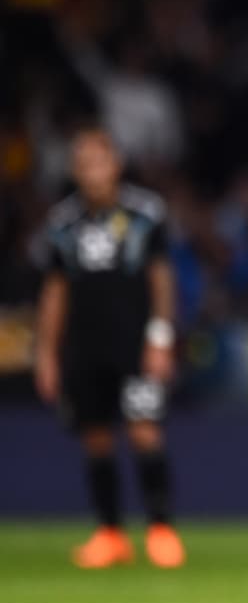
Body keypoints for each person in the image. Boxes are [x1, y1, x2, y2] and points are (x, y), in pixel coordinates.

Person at [32, 126, 185, 569]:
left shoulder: (145, 214)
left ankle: (161, 529)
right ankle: (110, 532)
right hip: (84, 346)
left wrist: (160, 337)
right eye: (83, 163)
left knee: (144, 431)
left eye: (99, 161)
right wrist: (47, 353)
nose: (92, 171)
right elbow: (54, 292)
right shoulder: (63, 224)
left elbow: (161, 278)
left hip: (134, 344)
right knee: (95, 437)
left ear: (115, 163)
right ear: (75, 170)